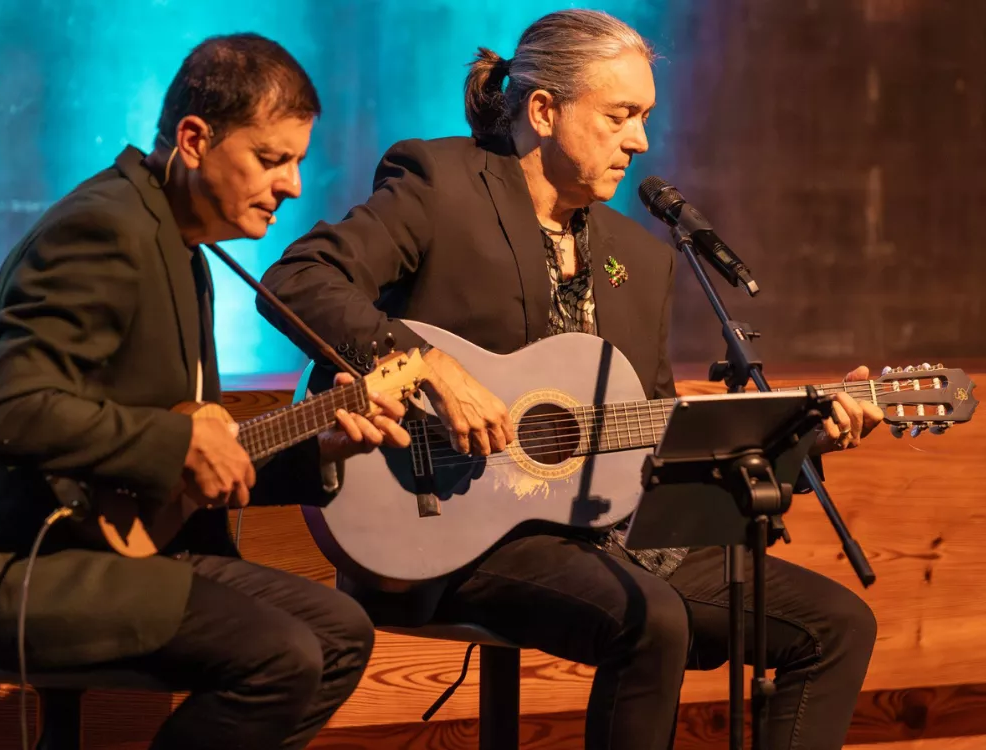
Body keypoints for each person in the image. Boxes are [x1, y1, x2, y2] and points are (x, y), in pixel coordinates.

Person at [259, 10, 883, 750]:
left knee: (838, 626)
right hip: (447, 527)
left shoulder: (638, 258)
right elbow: (296, 281)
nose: (641, 142)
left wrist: (799, 434)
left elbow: (650, 435)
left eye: (646, 117)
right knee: (653, 620)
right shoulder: (440, 185)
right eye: (620, 116)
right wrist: (429, 367)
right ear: (545, 110)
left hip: (610, 537)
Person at [0, 33, 410, 750]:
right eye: (272, 159)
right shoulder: (104, 228)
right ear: (194, 138)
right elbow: (11, 413)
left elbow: (190, 458)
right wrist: (182, 440)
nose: (295, 185)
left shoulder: (183, 246)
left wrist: (321, 445)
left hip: (115, 545)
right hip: (22, 567)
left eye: (298, 161)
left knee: (339, 633)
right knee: (282, 654)